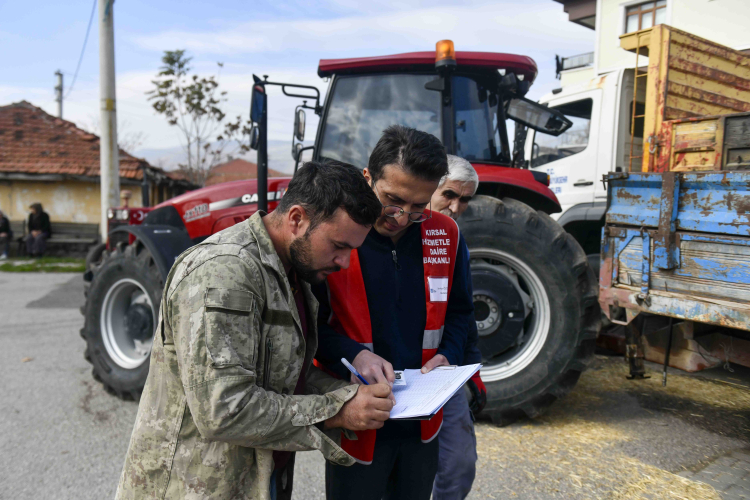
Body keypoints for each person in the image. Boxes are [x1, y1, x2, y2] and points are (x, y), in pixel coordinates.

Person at [116, 160, 395, 500]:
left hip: (257, 477)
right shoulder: (224, 274)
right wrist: (337, 410)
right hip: (196, 487)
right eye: (339, 246)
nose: (344, 262)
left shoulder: (291, 270)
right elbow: (225, 409)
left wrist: (351, 393)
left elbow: (281, 374)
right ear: (297, 219)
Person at [315, 126, 475, 500]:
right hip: (357, 416)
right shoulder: (337, 236)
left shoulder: (447, 234)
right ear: (367, 178)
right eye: (393, 200)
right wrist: (355, 354)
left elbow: (460, 312)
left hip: (423, 422)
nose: (402, 217)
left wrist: (448, 354)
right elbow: (309, 327)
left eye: (419, 206)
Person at [430, 155, 487, 500]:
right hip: (393, 371)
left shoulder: (454, 241)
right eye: (449, 195)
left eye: (464, 199)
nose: (455, 207)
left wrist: (471, 368)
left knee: (459, 465)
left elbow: (462, 311)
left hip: (443, 368)